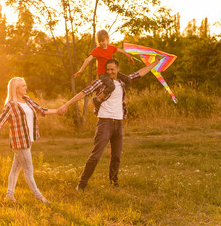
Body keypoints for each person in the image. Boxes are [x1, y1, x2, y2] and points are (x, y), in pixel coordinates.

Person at [59, 56, 162, 191]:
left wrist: (155, 62)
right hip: (104, 123)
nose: (110, 72)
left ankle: (114, 183)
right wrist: (67, 104)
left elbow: (140, 73)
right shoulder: (102, 82)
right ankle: (82, 184)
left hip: (118, 123)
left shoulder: (122, 82)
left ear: (118, 69)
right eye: (108, 69)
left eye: (112, 69)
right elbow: (84, 92)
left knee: (116, 156)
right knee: (96, 155)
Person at [0, 77, 57, 203]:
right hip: (19, 141)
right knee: (28, 170)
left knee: (16, 169)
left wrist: (58, 110)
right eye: (23, 86)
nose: (25, 88)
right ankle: (39, 197)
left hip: (28, 139)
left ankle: (9, 195)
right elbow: (0, 120)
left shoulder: (27, 100)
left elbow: (41, 110)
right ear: (17, 89)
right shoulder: (11, 105)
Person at [74, 29, 134, 109]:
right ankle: (97, 99)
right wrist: (81, 70)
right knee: (111, 86)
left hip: (111, 72)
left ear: (107, 39)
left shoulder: (111, 48)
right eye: (99, 41)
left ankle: (119, 93)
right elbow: (88, 59)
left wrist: (129, 57)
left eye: (103, 41)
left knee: (128, 79)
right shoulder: (97, 50)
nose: (101, 43)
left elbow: (121, 51)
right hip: (103, 73)